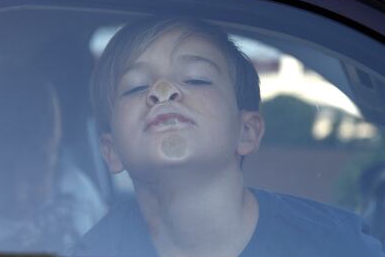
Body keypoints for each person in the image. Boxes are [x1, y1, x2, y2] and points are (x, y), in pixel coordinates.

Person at [75, 17, 385, 256]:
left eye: (197, 79)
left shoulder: (335, 246)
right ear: (111, 150)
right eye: (137, 87)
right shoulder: (94, 251)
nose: (163, 91)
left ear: (246, 131)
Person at [0, 67, 105, 254]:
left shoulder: (76, 188)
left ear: (55, 156)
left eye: (36, 178)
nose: (19, 195)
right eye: (0, 179)